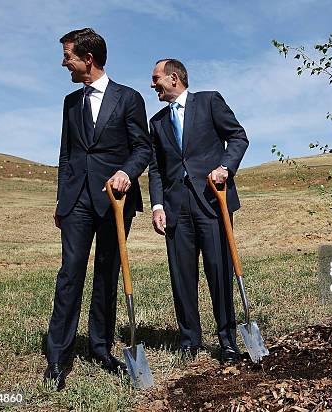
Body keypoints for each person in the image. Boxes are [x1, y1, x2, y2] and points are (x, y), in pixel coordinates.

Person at [45, 28, 151, 390]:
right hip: (76, 202)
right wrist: (62, 201)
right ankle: (58, 356)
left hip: (114, 200)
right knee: (70, 274)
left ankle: (101, 348)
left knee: (107, 273)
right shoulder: (70, 103)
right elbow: (66, 155)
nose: (64, 63)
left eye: (68, 56)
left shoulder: (129, 98)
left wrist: (126, 172)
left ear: (87, 59)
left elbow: (143, 148)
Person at [147, 59, 249, 363]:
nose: (152, 85)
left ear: (174, 78)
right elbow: (156, 168)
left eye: (156, 79)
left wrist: (225, 167)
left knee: (219, 272)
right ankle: (190, 340)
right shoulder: (157, 122)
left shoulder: (209, 102)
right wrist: (157, 205)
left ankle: (227, 340)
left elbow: (239, 137)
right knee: (182, 276)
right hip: (176, 209)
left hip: (212, 202)